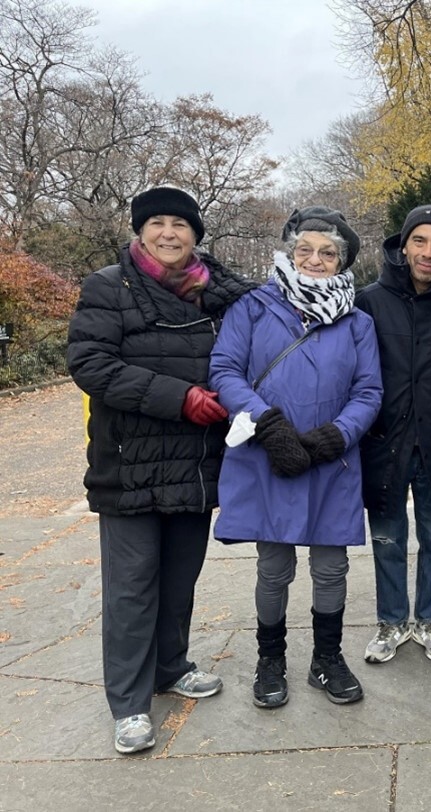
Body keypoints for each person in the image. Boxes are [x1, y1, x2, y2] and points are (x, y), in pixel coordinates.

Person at [67, 186, 255, 755]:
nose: (169, 233)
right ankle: (128, 704)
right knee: (131, 588)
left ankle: (171, 666)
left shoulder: (218, 293)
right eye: (158, 224)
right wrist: (180, 397)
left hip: (196, 462)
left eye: (180, 224)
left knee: (179, 579)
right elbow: (90, 363)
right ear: (140, 231)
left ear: (197, 234)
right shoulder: (109, 285)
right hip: (130, 463)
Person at [209, 206, 382, 710]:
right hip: (270, 454)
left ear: (343, 261)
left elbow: (369, 390)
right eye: (304, 249)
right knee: (273, 566)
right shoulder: (254, 307)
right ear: (288, 251)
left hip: (333, 460)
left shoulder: (358, 322)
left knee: (331, 568)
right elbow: (224, 369)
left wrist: (336, 435)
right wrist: (268, 424)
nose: (315, 259)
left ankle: (327, 658)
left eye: (328, 253)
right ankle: (271, 660)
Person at [357, 204, 431, 664]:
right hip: (385, 437)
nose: (428, 252)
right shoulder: (371, 300)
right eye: (419, 241)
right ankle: (391, 621)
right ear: (404, 246)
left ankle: (430, 619)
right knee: (387, 537)